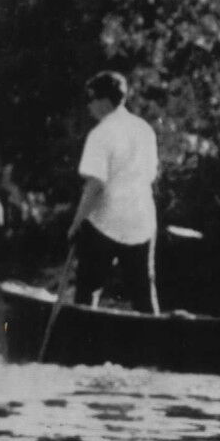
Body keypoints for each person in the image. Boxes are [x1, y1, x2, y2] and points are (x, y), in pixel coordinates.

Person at [68, 71, 160, 313]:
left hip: (107, 221)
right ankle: (155, 344)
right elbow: (150, 175)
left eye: (91, 99)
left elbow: (95, 185)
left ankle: (83, 338)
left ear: (104, 101)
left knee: (86, 290)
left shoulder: (100, 134)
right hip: (141, 221)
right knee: (143, 294)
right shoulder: (145, 129)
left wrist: (76, 223)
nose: (88, 106)